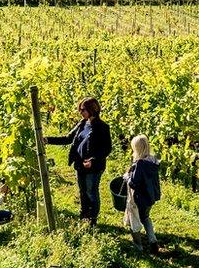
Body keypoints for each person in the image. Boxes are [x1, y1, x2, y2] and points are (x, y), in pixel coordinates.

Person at [46, 97, 112, 226]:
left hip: (93, 166)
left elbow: (107, 149)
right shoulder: (82, 123)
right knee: (82, 191)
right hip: (80, 164)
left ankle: (92, 218)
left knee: (91, 191)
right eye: (80, 109)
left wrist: (93, 160)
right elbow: (67, 138)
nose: (80, 112)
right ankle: (84, 215)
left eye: (83, 110)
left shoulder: (102, 127)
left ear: (92, 110)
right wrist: (48, 140)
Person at [123, 135, 161, 254]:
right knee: (145, 217)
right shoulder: (153, 161)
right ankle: (153, 241)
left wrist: (127, 177)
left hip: (138, 198)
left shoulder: (140, 164)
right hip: (150, 197)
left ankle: (138, 247)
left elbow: (134, 183)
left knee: (134, 220)